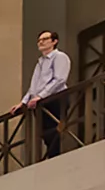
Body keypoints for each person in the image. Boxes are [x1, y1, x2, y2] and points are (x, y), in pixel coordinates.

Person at [17, 29, 71, 158]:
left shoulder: (60, 57)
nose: (41, 42)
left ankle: (55, 156)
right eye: (39, 40)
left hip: (55, 98)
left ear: (54, 41)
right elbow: (34, 86)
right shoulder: (40, 62)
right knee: (45, 132)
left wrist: (41, 95)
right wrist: (23, 102)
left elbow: (59, 79)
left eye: (45, 39)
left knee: (54, 129)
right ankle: (51, 155)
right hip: (41, 101)